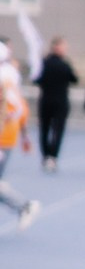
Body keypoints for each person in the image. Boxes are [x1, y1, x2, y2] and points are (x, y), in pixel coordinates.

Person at [0, 65, 38, 225]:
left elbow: (18, 110)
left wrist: (24, 134)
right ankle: (23, 206)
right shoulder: (8, 81)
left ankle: (24, 206)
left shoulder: (6, 82)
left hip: (4, 139)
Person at [33, 38, 75, 171]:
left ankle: (47, 156)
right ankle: (52, 156)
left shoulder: (44, 63)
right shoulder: (64, 64)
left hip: (46, 101)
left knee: (45, 130)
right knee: (56, 130)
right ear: (57, 47)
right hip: (59, 101)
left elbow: (37, 79)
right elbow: (74, 79)